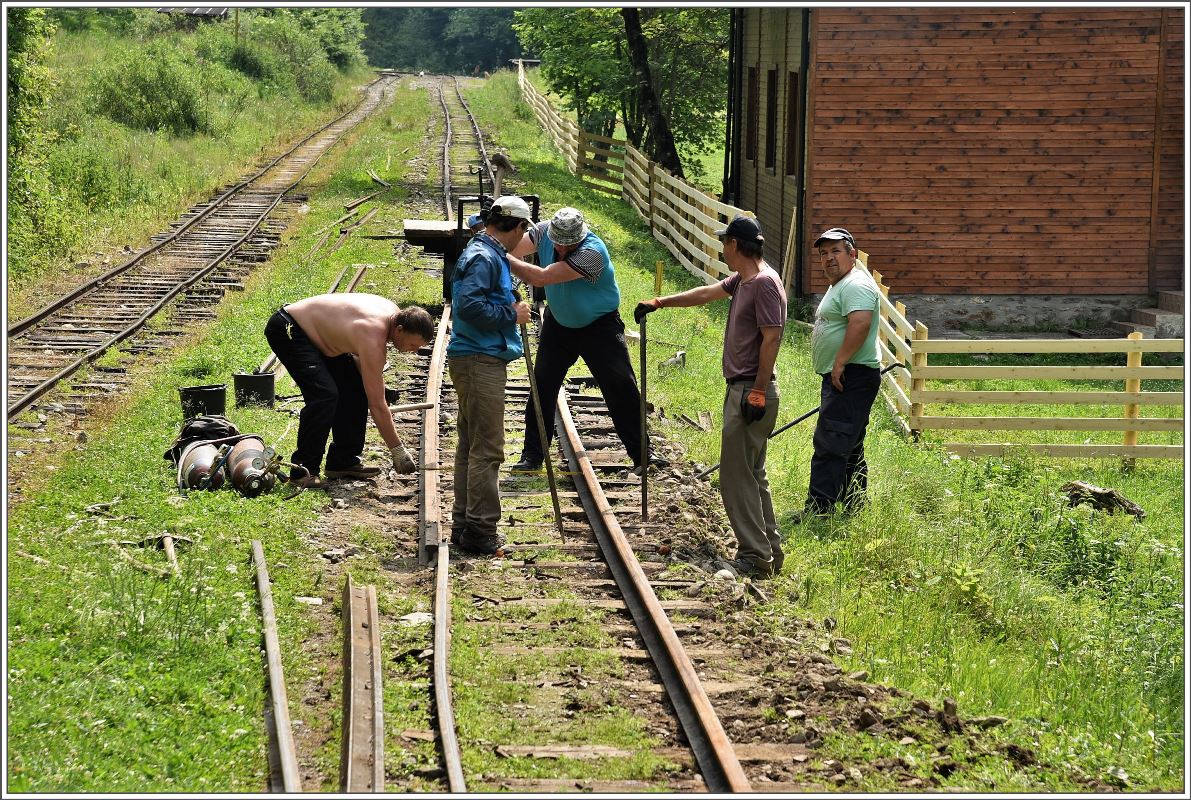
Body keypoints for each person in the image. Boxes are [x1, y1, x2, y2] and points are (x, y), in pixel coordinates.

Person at [635, 214, 787, 579]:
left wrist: (758, 392)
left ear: (735, 245)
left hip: (751, 389)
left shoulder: (764, 283)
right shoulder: (744, 280)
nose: (722, 249)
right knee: (752, 474)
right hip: (744, 388)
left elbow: (773, 338)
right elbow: (706, 293)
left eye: (725, 242)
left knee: (736, 478)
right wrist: (660, 301)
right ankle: (769, 550)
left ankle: (754, 557)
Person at [506, 207, 665, 475]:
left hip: (599, 326)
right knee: (542, 385)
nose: (562, 249)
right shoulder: (543, 231)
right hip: (559, 323)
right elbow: (514, 247)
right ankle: (532, 454)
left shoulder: (594, 253)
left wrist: (499, 255)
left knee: (621, 386)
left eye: (570, 245)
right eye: (558, 244)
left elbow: (541, 277)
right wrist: (497, 245)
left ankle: (642, 455)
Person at [264, 294, 433, 489]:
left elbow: (365, 371)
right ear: (400, 329)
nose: (413, 351)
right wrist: (397, 450)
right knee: (324, 396)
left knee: (356, 389)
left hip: (319, 338)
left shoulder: (394, 315)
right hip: (289, 328)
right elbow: (377, 405)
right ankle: (303, 471)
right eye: (413, 345)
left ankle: (342, 461)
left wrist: (374, 385)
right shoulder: (374, 335)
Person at [448, 195, 533, 555]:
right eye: (523, 230)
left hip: (473, 357)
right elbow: (468, 306)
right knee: (488, 448)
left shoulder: (485, 251)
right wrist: (511, 316)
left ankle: (464, 522)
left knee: (471, 444)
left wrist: (507, 300)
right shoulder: (484, 256)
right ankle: (481, 530)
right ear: (516, 227)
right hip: (480, 359)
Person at [794, 227, 882, 519]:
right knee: (849, 443)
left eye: (836, 251)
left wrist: (840, 362)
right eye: (823, 253)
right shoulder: (842, 283)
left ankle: (819, 511)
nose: (829, 258)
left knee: (831, 442)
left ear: (852, 255)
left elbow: (860, 323)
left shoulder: (856, 284)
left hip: (851, 376)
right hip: (847, 376)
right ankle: (855, 506)